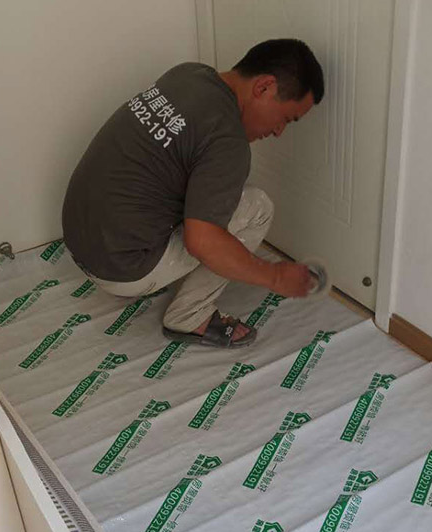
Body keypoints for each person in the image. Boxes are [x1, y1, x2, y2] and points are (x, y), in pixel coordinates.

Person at [62, 39, 324, 348]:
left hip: (78, 241)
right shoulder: (228, 142)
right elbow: (202, 242)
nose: (279, 132)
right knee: (257, 207)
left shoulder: (188, 75)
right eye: (286, 119)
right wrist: (276, 277)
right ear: (264, 87)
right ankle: (190, 316)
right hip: (121, 269)